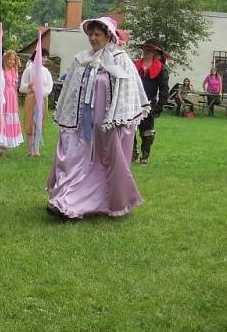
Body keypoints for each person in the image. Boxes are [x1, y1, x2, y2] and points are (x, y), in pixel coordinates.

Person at [47, 17, 150, 219]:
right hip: (82, 126)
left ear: (108, 36)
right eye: (91, 34)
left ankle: (102, 202)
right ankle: (64, 201)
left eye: (98, 34)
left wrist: (116, 119)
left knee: (104, 163)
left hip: (106, 125)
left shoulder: (119, 59)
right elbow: (70, 91)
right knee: (72, 157)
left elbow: (127, 91)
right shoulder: (82, 59)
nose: (93, 38)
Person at [133, 39, 169, 164]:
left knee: (147, 132)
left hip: (149, 104)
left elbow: (164, 89)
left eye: (150, 50)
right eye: (145, 49)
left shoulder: (161, 68)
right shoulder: (134, 65)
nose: (147, 52)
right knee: (130, 129)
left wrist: (159, 105)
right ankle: (133, 152)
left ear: (155, 52)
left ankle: (145, 154)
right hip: (132, 103)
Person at [20, 47, 53, 156]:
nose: (45, 59)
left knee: (39, 122)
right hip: (31, 97)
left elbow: (49, 86)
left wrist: (42, 92)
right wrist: (30, 87)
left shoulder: (46, 71)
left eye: (46, 57)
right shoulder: (29, 69)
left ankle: (36, 149)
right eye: (43, 56)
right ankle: (30, 150)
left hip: (42, 98)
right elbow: (22, 86)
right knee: (30, 122)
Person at [0, 50, 24, 153]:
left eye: (13, 59)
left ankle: (6, 143)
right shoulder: (2, 71)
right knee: (2, 118)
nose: (12, 61)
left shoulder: (14, 71)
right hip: (4, 95)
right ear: (5, 59)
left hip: (12, 97)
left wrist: (16, 104)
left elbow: (15, 88)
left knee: (10, 119)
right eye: (10, 59)